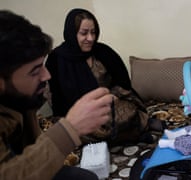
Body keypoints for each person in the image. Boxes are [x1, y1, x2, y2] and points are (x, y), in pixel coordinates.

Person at [0, 10, 113, 179]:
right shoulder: (59, 59)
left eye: (93, 32)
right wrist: (70, 128)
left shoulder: (21, 101)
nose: (47, 76)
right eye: (35, 71)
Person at [46, 8, 156, 145]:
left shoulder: (104, 52)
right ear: (71, 33)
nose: (90, 38)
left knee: (125, 114)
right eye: (84, 33)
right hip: (80, 113)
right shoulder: (56, 59)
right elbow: (55, 96)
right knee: (82, 128)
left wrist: (112, 96)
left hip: (111, 104)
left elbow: (123, 82)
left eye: (93, 32)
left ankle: (118, 135)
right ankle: (130, 134)